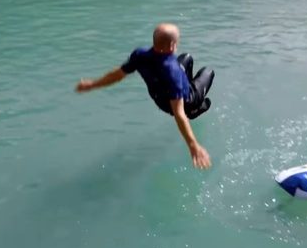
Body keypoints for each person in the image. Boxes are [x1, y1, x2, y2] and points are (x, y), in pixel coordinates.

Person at [75, 23, 215, 169]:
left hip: (159, 98)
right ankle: (194, 110)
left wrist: (92, 84)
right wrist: (193, 145)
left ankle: (189, 95)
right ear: (173, 45)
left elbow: (117, 75)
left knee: (187, 58)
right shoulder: (172, 72)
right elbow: (178, 113)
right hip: (185, 101)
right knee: (208, 72)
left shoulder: (140, 55)